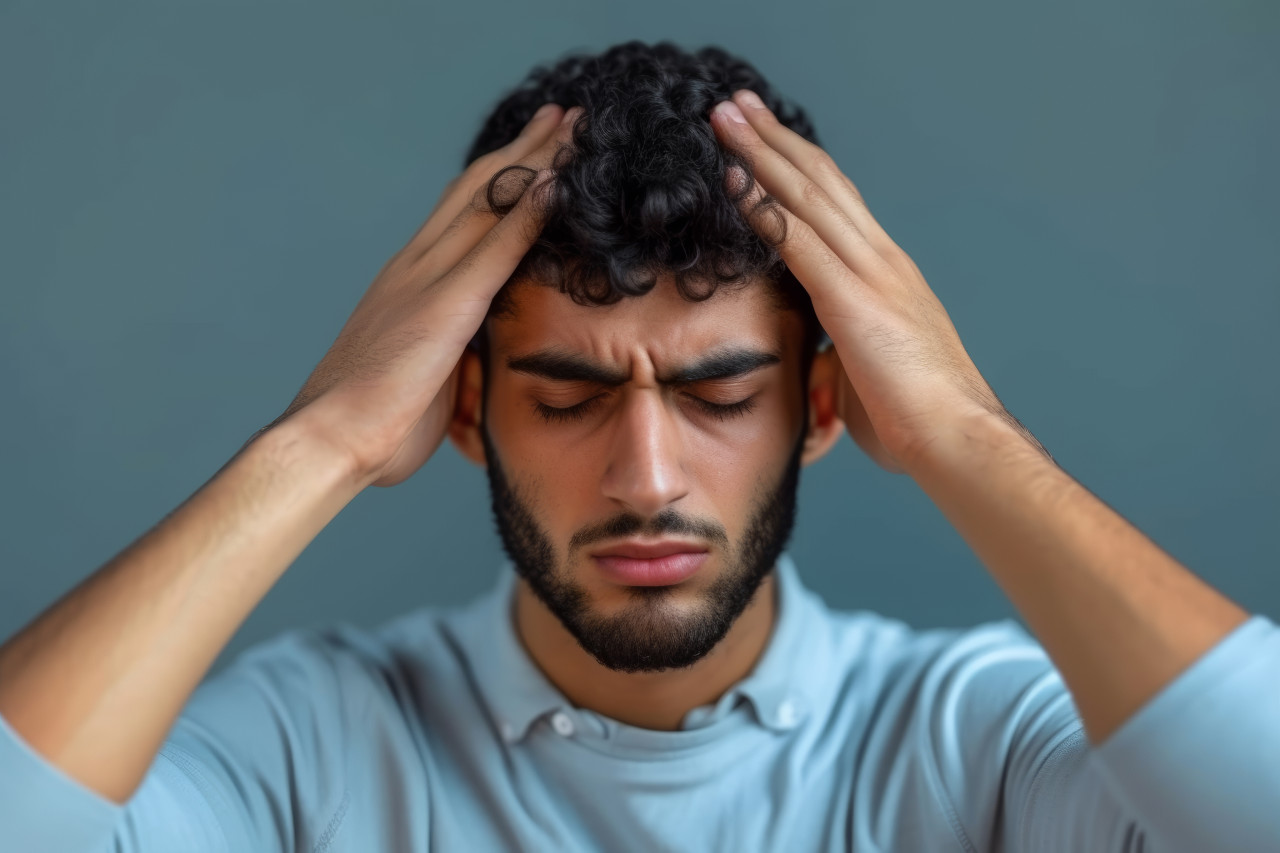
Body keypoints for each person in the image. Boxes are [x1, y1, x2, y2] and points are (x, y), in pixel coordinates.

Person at [0, 39, 1275, 853]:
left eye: (720, 394)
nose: (647, 479)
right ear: (457, 410)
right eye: (563, 396)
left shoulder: (977, 744)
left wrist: (961, 436)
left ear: (824, 409)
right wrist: (321, 438)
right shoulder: (308, 752)